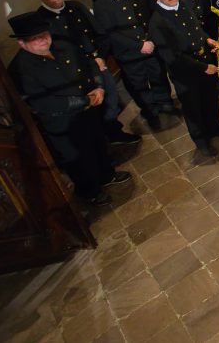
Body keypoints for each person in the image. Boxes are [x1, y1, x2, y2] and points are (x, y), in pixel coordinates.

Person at [7, 12, 130, 206]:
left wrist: (98, 86)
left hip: (90, 110)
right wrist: (85, 100)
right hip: (65, 123)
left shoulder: (63, 46)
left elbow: (89, 64)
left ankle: (107, 175)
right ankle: (90, 192)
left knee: (98, 144)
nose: (43, 40)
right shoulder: (20, 69)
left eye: (44, 34)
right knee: (80, 159)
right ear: (21, 43)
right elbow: (42, 103)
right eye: (35, 38)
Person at [28, 0, 137, 144]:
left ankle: (114, 133)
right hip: (72, 73)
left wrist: (100, 56)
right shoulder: (40, 19)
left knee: (110, 98)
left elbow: (100, 34)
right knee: (89, 108)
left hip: (96, 63)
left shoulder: (76, 7)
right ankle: (99, 140)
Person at [146, 0, 219, 157]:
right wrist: (204, 68)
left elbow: (196, 28)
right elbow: (173, 57)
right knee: (193, 108)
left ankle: (214, 128)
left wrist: (207, 39)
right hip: (186, 72)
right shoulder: (157, 23)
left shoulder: (182, 5)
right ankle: (201, 141)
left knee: (210, 99)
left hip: (204, 61)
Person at [91, 0, 176, 131]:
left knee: (158, 75)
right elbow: (110, 33)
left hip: (151, 45)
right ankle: (150, 110)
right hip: (128, 52)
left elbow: (154, 18)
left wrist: (151, 40)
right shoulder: (101, 4)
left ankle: (165, 102)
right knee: (138, 84)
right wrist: (138, 46)